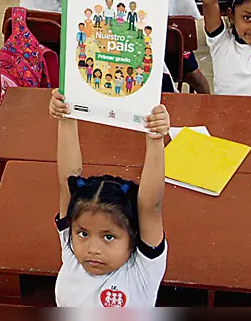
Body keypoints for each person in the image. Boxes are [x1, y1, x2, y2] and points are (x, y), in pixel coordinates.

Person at [47, 88, 169, 307]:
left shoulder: (141, 271)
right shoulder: (71, 250)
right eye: (83, 233)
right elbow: (67, 182)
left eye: (109, 237)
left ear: (133, 238)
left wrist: (155, 139)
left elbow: (151, 205)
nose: (93, 249)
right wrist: (66, 116)